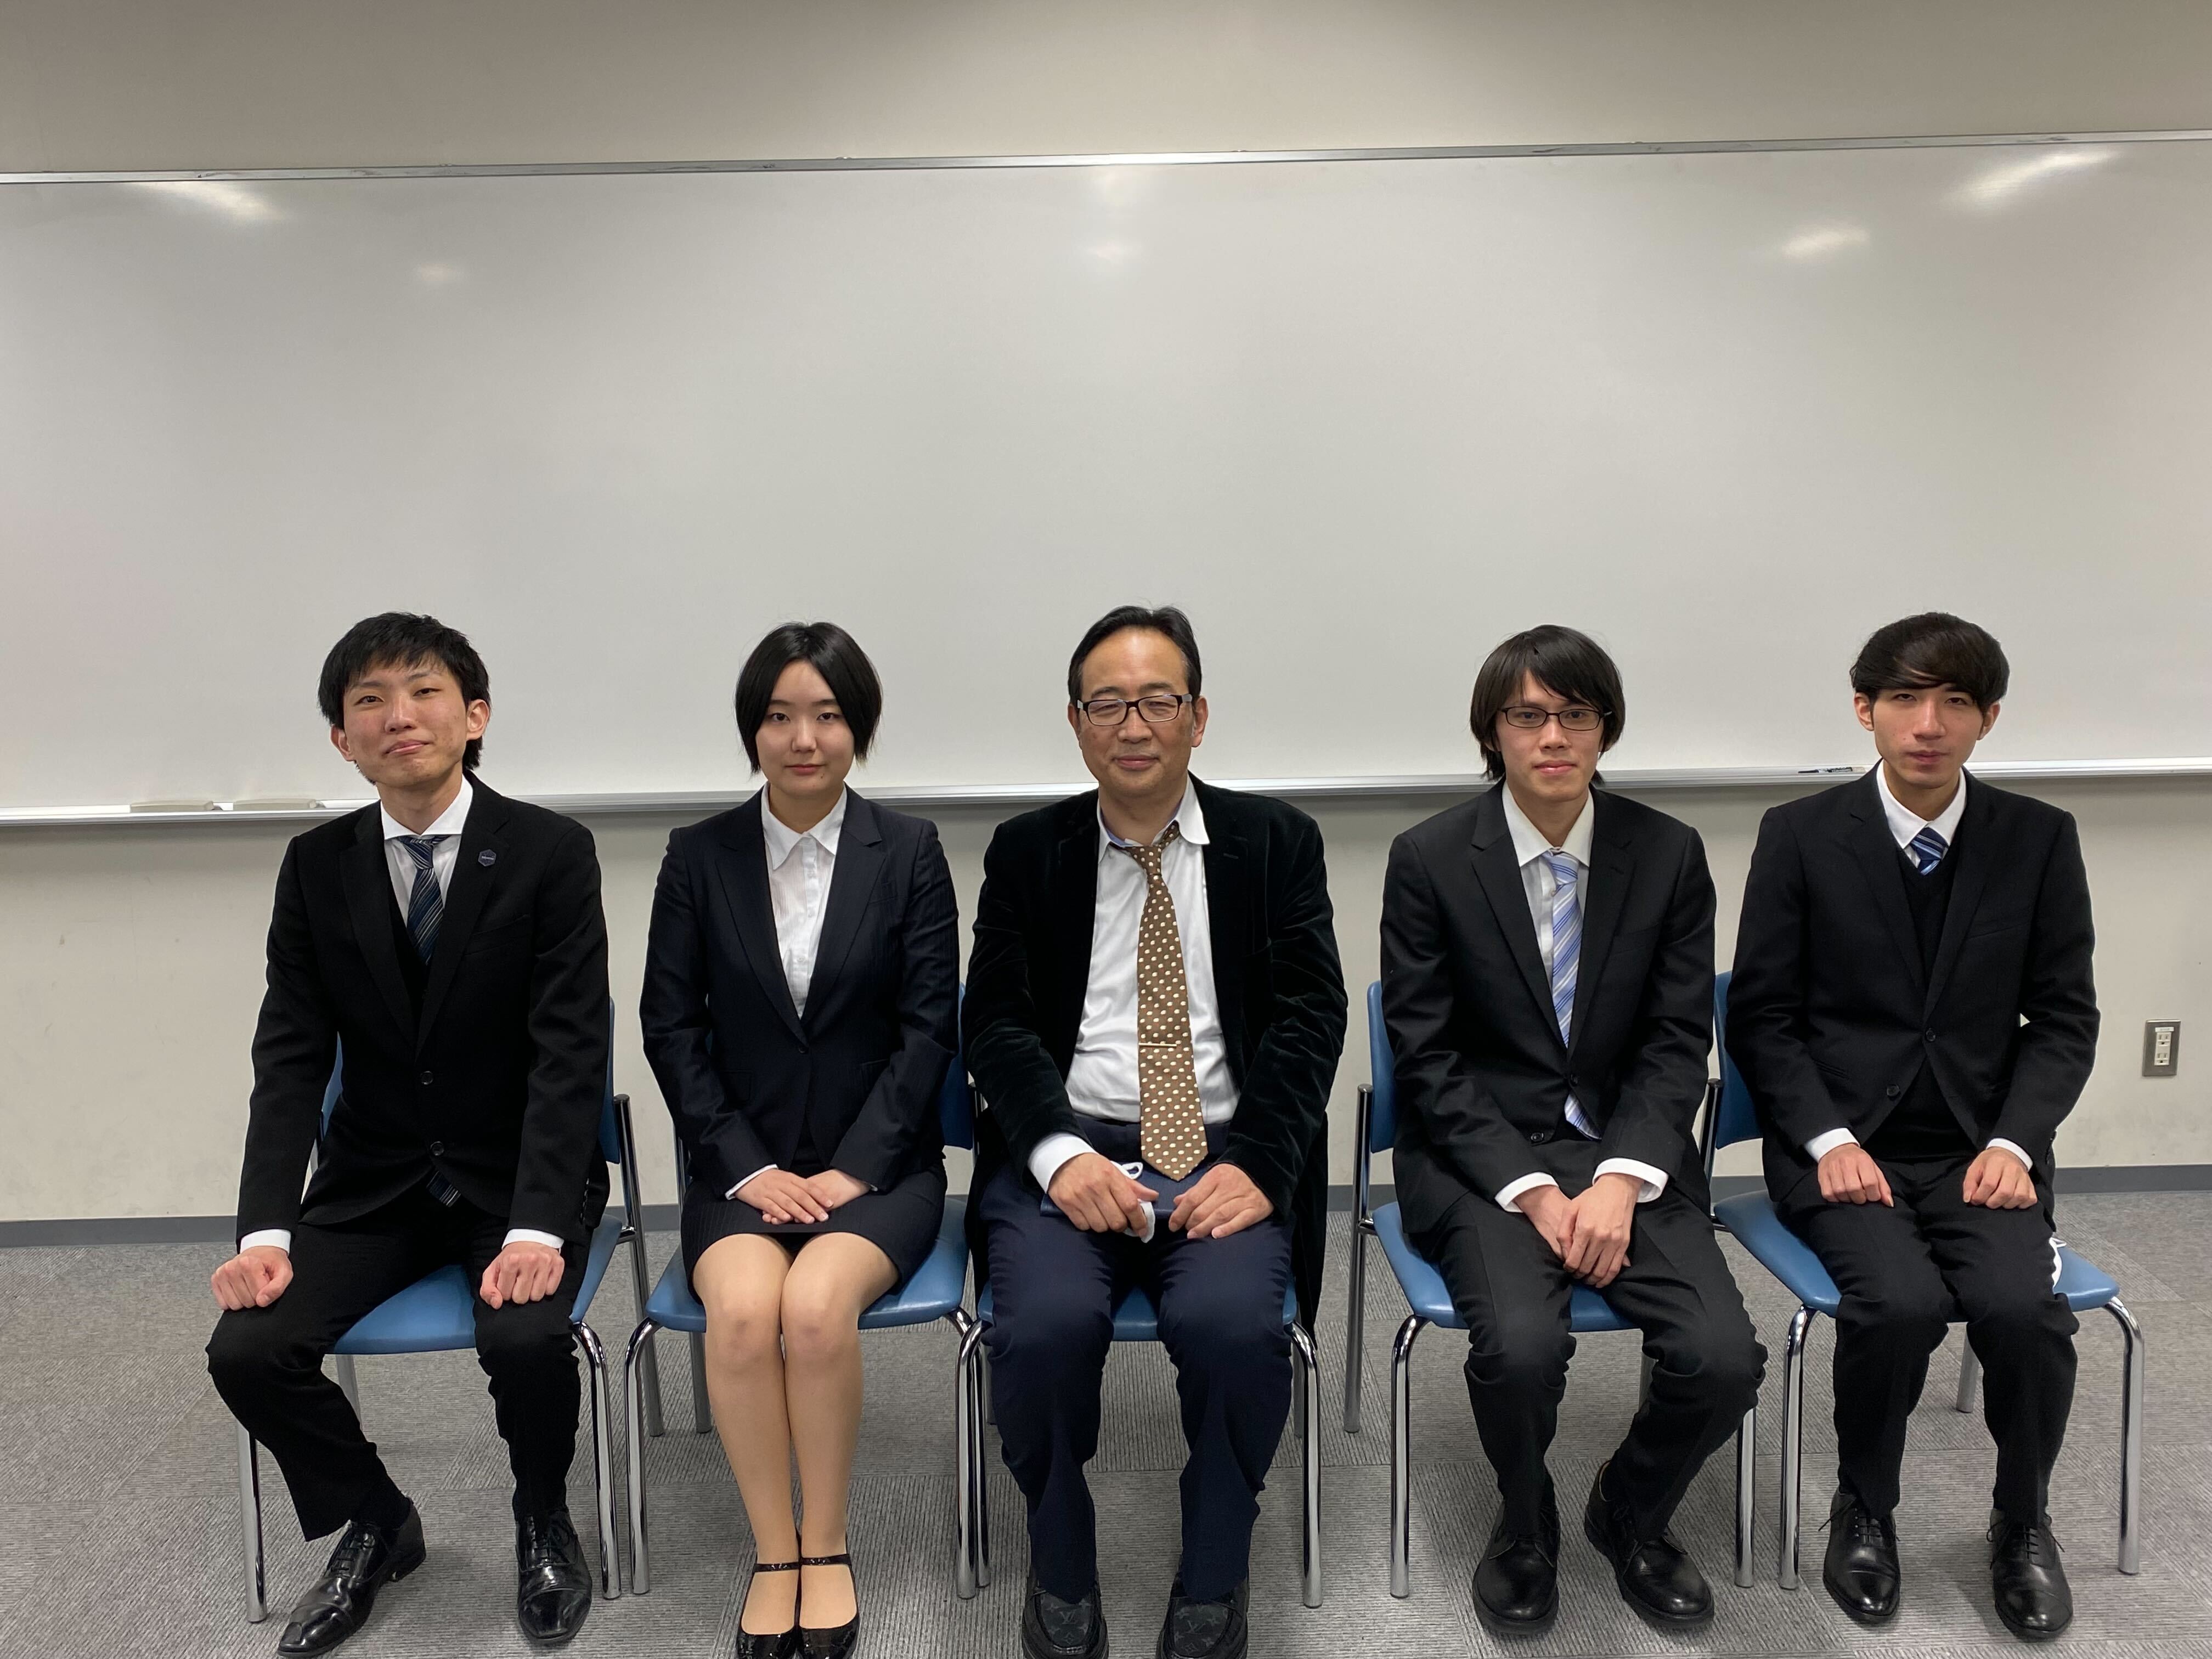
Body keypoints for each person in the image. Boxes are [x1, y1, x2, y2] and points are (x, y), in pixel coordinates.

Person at [206, 613, 611, 1655]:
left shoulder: (551, 852)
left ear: (475, 716)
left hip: (517, 1178)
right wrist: (264, 1234)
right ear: (342, 740)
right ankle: (379, 1519)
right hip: (375, 1180)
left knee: (525, 1336)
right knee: (248, 1349)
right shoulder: (316, 866)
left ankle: (542, 1516)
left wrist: (539, 1225)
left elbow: (571, 1053)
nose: (400, 717)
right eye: (370, 702)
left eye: (425, 692)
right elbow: (290, 1057)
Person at [963, 605, 1346, 1659]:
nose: (1133, 725)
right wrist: (1057, 1155)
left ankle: (1215, 1566)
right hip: (1072, 1145)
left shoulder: (1277, 844)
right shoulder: (1027, 851)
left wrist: (1262, 1163)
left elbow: (1312, 1016)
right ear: (1077, 723)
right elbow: (994, 1020)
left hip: (1224, 1151)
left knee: (1233, 1332)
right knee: (1040, 1331)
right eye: (1107, 704)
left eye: (1158, 700)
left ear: (1198, 716)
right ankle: (1060, 1555)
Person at [1380, 625, 1765, 1633]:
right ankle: (1524, 1522)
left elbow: (1676, 1039)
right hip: (1482, 1160)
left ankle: (1630, 1507)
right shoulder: (1429, 859)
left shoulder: (1667, 853)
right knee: (1519, 1349)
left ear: (1605, 729)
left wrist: (1620, 1178)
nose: (1553, 737)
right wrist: (1538, 1192)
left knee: (1724, 1357)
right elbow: (1426, 1056)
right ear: (1493, 732)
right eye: (1528, 716)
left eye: (1576, 715)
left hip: (1626, 1155)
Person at [1728, 612, 2097, 1643]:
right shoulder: (1801, 835)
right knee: (1896, 1305)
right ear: (1866, 710)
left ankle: (2022, 1521)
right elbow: (1763, 1017)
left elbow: (2064, 1018)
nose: (1927, 724)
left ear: (1989, 719)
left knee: (2024, 1313)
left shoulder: (2037, 838)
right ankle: (1866, 1509)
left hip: (1984, 1153)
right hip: (1843, 1150)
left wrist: (2015, 1143)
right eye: (1904, 698)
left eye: (1955, 703)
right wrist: (1828, 1140)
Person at [640, 621, 957, 1659]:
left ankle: (827, 1546)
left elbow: (929, 1030)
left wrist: (853, 1168)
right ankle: (773, 1554)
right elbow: (670, 1028)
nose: (803, 739)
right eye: (779, 717)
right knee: (741, 1319)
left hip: (881, 1170)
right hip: (742, 1171)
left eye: (826, 715)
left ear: (858, 727)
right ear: (754, 732)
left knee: (816, 1313)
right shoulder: (698, 857)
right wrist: (749, 1168)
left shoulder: (909, 852)